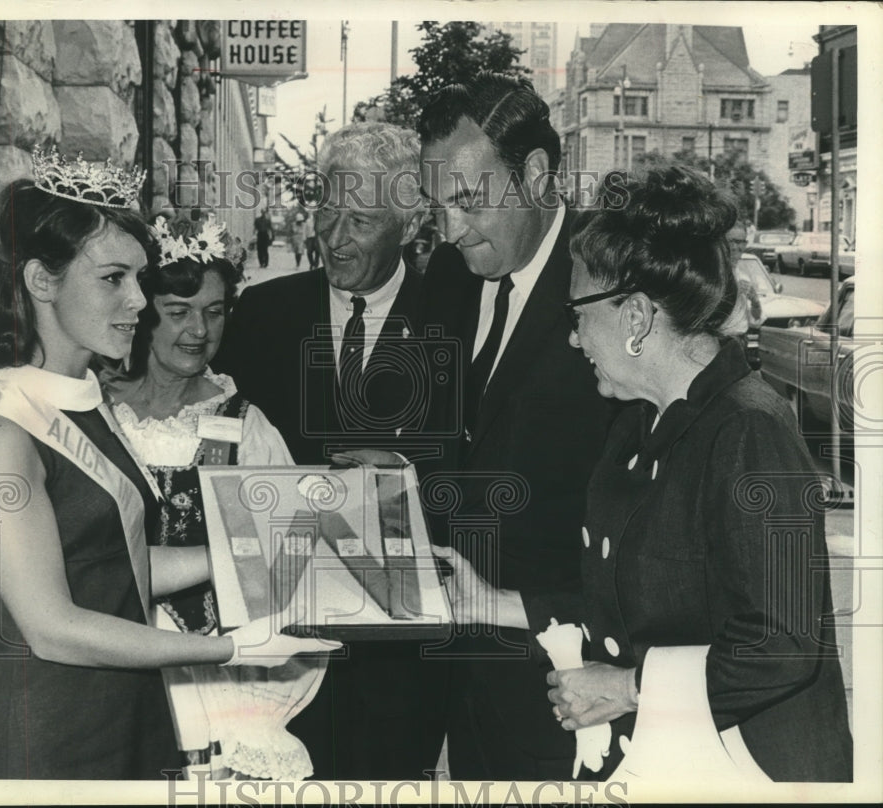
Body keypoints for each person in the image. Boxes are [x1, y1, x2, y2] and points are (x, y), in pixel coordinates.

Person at [0, 149, 337, 780]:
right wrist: (233, 648)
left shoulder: (84, 403)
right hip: (43, 736)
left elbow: (115, 566)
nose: (139, 301)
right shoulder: (0, 430)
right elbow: (53, 627)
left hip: (123, 716)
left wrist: (242, 553)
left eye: (139, 278)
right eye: (113, 279)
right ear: (41, 280)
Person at [539, 164, 852, 781]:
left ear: (634, 318)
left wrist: (629, 686)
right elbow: (620, 590)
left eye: (577, 311)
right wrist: (491, 604)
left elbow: (782, 646)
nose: (574, 339)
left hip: (748, 773)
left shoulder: (750, 430)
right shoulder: (640, 421)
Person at [216, 122, 448, 780]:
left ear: (407, 224)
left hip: (402, 655)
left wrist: (410, 475)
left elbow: (482, 458)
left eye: (362, 220)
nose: (334, 236)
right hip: (277, 645)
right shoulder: (260, 314)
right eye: (327, 211)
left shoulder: (453, 318)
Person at [416, 72, 611, 780]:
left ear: (534, 174)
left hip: (576, 684)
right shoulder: (445, 273)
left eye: (468, 202)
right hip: (467, 680)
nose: (449, 229)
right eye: (436, 206)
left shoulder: (616, 278)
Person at [104, 213, 327, 780]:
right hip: (104, 660)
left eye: (214, 311)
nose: (199, 331)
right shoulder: (97, 411)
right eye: (178, 313)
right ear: (143, 312)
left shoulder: (246, 426)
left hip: (211, 678)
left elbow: (291, 566)